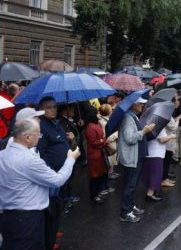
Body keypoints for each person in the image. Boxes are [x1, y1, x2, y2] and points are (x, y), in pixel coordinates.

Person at [0, 119, 80, 250]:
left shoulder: (2, 155)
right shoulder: (30, 161)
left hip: (7, 217)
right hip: (27, 219)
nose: (40, 137)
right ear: (27, 137)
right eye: (38, 134)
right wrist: (71, 159)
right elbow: (57, 180)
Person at [37, 97, 75, 249]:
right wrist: (50, 172)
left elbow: (64, 144)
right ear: (41, 109)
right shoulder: (41, 126)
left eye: (54, 107)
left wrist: (71, 139)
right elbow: (41, 152)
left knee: (59, 204)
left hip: (64, 171)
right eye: (48, 107)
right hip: (54, 173)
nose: (53, 110)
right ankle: (49, 238)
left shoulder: (58, 123)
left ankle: (53, 229)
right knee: (51, 207)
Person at [117, 97, 155, 223]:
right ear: (133, 105)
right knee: (130, 185)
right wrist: (144, 131)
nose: (142, 106)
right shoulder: (128, 118)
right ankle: (125, 212)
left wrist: (145, 129)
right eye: (140, 104)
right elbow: (130, 138)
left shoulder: (133, 116)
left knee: (132, 185)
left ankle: (130, 206)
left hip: (137, 156)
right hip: (131, 158)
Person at [144, 118, 177, 200]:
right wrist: (172, 136)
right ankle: (150, 194)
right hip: (156, 153)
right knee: (155, 174)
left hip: (149, 152)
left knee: (150, 174)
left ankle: (151, 191)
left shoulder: (147, 125)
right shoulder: (158, 127)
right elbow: (162, 140)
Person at [83, 107, 108, 205]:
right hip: (94, 155)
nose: (99, 114)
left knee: (99, 175)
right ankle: (94, 195)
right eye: (97, 113)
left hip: (99, 154)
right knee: (94, 176)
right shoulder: (90, 127)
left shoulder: (96, 124)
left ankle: (97, 193)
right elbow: (94, 142)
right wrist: (103, 140)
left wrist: (102, 140)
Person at [99, 104, 119, 179]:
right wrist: (117, 134)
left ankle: (111, 172)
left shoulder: (106, 120)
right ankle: (110, 173)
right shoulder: (103, 122)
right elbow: (105, 135)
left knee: (112, 159)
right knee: (110, 159)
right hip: (109, 143)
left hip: (111, 142)